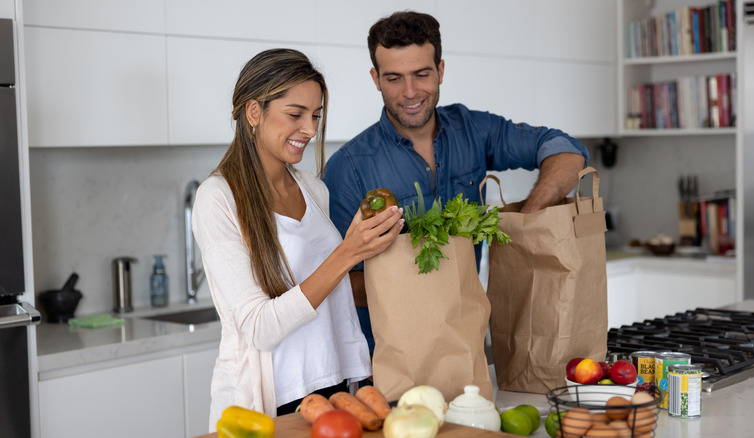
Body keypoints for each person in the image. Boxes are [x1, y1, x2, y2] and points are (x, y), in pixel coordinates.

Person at [322, 11, 590, 353]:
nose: (410, 92)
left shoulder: (473, 131)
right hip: (390, 357)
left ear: (441, 71)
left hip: (467, 343)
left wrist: (529, 218)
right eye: (394, 78)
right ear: (375, 78)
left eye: (421, 74)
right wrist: (422, 286)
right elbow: (340, 281)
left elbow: (565, 150)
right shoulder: (348, 167)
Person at [191, 48, 404, 426]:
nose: (310, 129)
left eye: (316, 115)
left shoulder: (313, 189)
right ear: (254, 112)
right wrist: (348, 252)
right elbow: (259, 327)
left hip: (337, 387)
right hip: (274, 402)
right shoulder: (219, 198)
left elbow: (335, 297)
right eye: (295, 114)